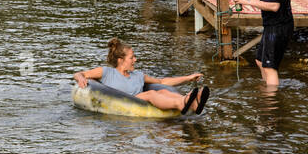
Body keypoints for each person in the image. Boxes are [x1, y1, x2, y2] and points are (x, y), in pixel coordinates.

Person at [73, 38, 208, 114]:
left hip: (140, 102)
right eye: (132, 57)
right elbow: (80, 73)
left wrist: (188, 77)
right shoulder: (106, 72)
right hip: (125, 101)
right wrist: (80, 78)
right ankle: (182, 102)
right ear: (121, 60)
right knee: (150, 94)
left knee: (163, 90)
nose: (135, 60)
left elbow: (162, 81)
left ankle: (192, 102)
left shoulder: (138, 75)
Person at [235, 0, 294, 87]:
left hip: (278, 26)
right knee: (260, 61)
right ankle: (266, 88)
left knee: (269, 67)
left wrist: (247, 1)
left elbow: (274, 6)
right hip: (274, 25)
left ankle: (271, 104)